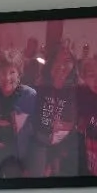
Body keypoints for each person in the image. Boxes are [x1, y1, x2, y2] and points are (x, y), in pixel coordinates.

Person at [0, 51, 38, 178]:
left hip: (17, 154)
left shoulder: (29, 95)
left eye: (12, 72)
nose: (7, 78)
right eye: (3, 72)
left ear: (19, 74)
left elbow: (34, 131)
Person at [36, 44, 85, 176]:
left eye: (67, 61)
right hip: (40, 143)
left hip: (66, 148)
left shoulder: (79, 88)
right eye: (57, 60)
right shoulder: (40, 84)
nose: (61, 65)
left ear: (74, 64)